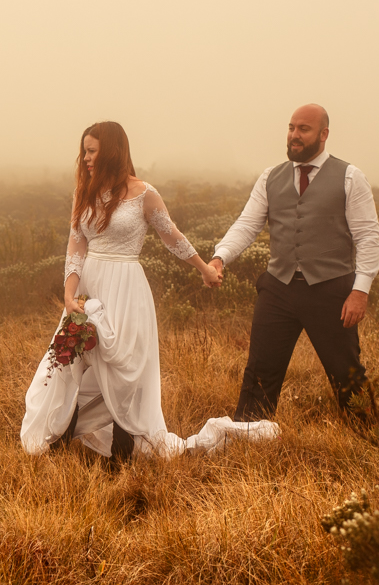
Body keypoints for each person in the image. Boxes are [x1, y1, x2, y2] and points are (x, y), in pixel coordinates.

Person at [22, 121, 268, 459]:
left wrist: (205, 269)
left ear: (111, 151)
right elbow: (76, 249)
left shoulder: (145, 194)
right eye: (84, 151)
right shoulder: (85, 192)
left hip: (127, 288)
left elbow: (173, 237)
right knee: (71, 358)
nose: (86, 158)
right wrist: (69, 294)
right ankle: (60, 438)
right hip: (90, 288)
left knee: (125, 368)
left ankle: (122, 451)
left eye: (92, 150)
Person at [210, 104, 379, 422]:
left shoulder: (350, 177)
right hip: (279, 288)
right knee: (260, 370)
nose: (294, 136)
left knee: (347, 374)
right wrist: (220, 257)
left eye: (303, 129)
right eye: (291, 128)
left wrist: (360, 291)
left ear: (324, 134)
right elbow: (247, 225)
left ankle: (368, 440)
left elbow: (368, 237)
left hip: (332, 290)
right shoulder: (270, 177)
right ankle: (249, 436)